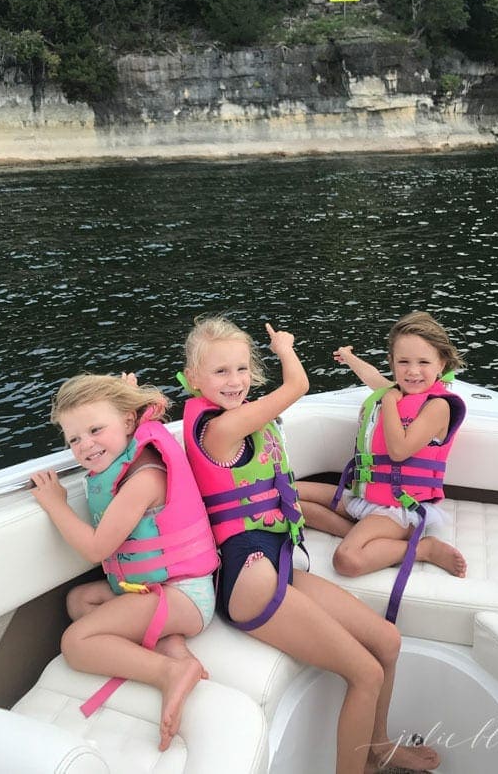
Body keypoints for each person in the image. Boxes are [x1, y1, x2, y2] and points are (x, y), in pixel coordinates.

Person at [180, 315, 440, 774]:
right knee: (366, 672)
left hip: (274, 560)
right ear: (194, 378)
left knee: (387, 641)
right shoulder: (219, 431)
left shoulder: (235, 422)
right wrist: (283, 348)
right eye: (220, 372)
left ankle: (379, 745)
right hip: (247, 577)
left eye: (242, 369)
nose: (235, 381)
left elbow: (278, 494)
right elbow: (298, 384)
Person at [30, 373, 219, 751]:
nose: (86, 445)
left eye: (95, 429)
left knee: (76, 644)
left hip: (183, 594)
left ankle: (171, 670)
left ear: (128, 422)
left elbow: (98, 548)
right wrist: (125, 391)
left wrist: (55, 504)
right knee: (79, 601)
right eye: (74, 439)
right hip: (150, 588)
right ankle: (172, 647)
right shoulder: (125, 450)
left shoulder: (144, 478)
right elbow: (128, 411)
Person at [297, 311, 467, 621]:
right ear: (393, 363)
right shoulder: (396, 389)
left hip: (400, 507)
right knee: (288, 496)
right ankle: (361, 530)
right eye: (403, 363)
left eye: (423, 363)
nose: (412, 371)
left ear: (442, 363)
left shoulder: (437, 406)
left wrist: (388, 402)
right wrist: (349, 357)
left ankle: (424, 549)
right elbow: (372, 376)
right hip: (367, 497)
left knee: (347, 559)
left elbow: (400, 451)